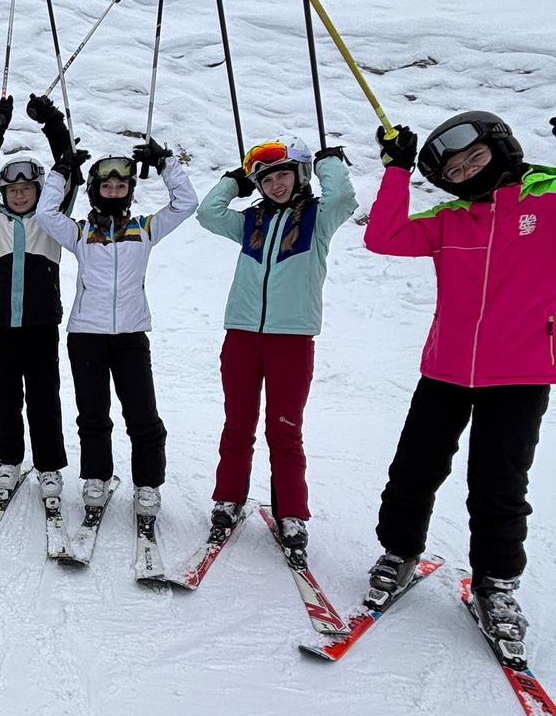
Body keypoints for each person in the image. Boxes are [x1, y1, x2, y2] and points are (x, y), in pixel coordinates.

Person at [364, 111, 556, 658]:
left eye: (476, 157)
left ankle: (496, 585)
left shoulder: (548, 200)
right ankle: (398, 554)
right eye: (456, 169)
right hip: (446, 370)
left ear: (501, 148)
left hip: (520, 375)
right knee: (413, 470)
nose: (469, 170)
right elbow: (384, 237)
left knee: (499, 483)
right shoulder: (451, 219)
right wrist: (397, 170)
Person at [196, 136, 357, 557]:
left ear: (299, 174)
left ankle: (292, 512)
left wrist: (329, 162)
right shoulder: (251, 221)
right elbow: (208, 215)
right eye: (267, 179)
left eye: (283, 174)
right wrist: (234, 181)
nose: (275, 185)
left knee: (285, 430)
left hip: (292, 339)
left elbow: (342, 196)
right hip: (242, 337)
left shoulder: (318, 218)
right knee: (238, 423)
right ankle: (228, 499)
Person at [35, 134, 197, 515]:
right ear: (94, 190)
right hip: (86, 335)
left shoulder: (144, 228)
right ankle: (97, 476)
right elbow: (45, 215)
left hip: (131, 335)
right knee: (93, 413)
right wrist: (61, 171)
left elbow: (186, 203)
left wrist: (165, 162)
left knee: (142, 415)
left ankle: (147, 485)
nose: (112, 191)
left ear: (129, 190)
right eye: (105, 185)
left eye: (120, 185)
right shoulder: (79, 233)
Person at [0, 92, 81, 501]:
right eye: (11, 189)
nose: (18, 195)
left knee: (43, 397)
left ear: (39, 190)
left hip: (39, 324)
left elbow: (68, 168)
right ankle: (9, 460)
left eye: (27, 188)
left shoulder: (51, 218)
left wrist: (51, 121)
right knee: (5, 396)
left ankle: (49, 466)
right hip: (1, 323)